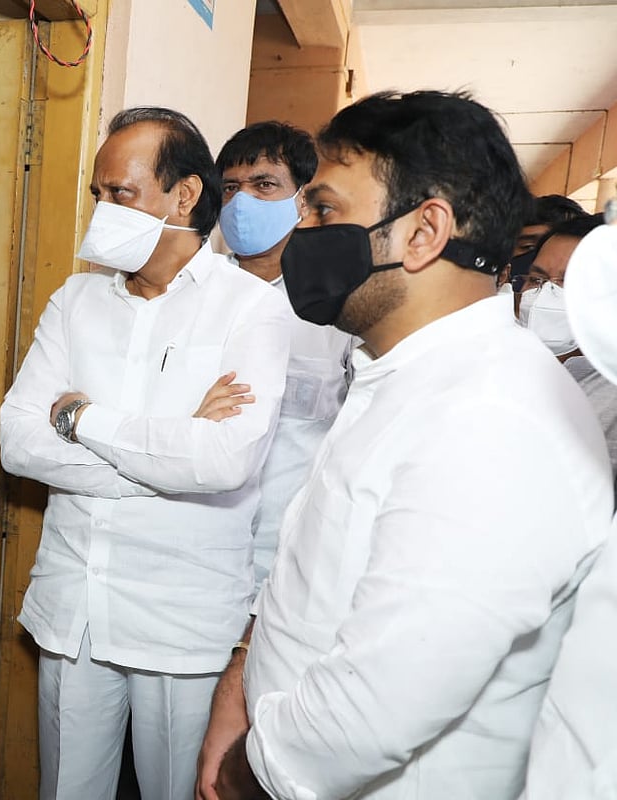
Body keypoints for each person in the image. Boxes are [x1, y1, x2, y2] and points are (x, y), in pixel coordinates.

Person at [196, 90, 614, 800]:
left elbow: (380, 701)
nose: (300, 231)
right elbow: (318, 569)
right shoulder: (398, 373)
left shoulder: (493, 418)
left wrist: (246, 771)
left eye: (324, 209)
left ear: (423, 233)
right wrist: (243, 674)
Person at [0, 106, 292, 800]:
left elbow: (223, 462)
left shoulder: (249, 308)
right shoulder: (76, 300)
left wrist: (82, 418)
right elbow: (18, 442)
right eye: (97, 194)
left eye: (119, 194)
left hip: (181, 618)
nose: (102, 209)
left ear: (184, 195)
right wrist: (164, 459)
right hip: (76, 607)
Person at [214, 121, 355, 587]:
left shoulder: (341, 311)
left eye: (264, 185)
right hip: (196, 553)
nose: (242, 202)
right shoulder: (194, 296)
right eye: (230, 188)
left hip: (290, 560)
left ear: (304, 199)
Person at [524, 208, 617, 799]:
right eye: (539, 280)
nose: (550, 298)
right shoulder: (535, 372)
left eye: (568, 282)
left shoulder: (605, 390)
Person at [518, 213, 617, 478]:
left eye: (571, 281)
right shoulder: (506, 367)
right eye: (536, 280)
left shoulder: (610, 400)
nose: (546, 294)